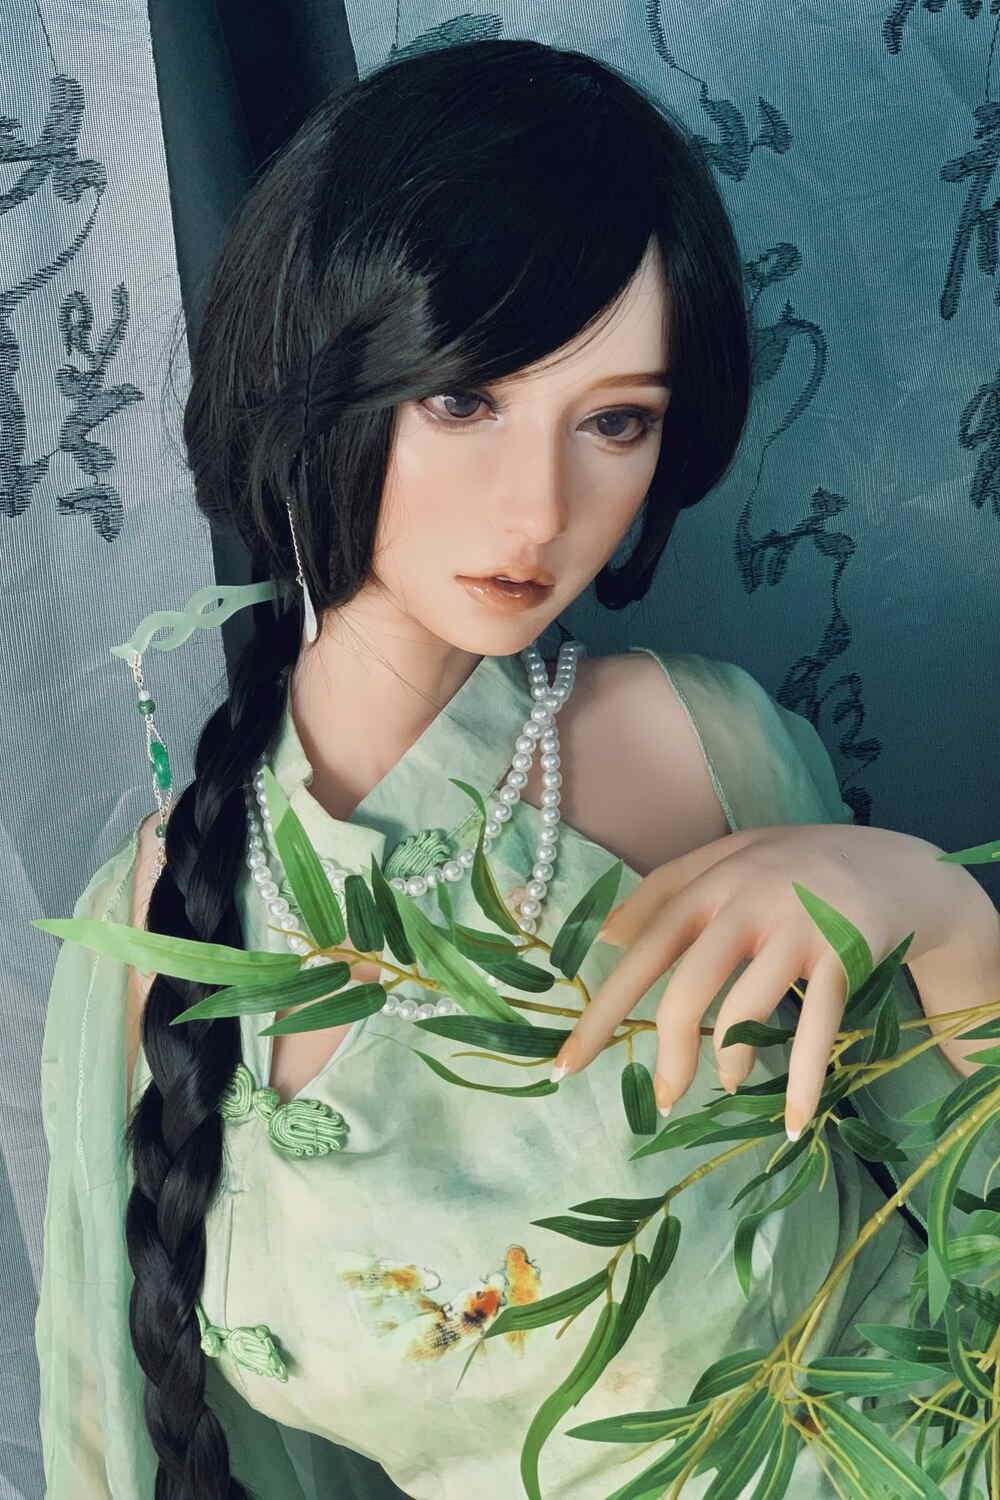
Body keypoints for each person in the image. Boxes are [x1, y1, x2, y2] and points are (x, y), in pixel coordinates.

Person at [34, 36, 996, 1500]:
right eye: (464, 400)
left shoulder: (699, 750)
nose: (539, 508)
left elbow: (968, 1247)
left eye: (615, 422)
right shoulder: (152, 926)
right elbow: (118, 1443)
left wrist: (947, 922)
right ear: (315, 369)